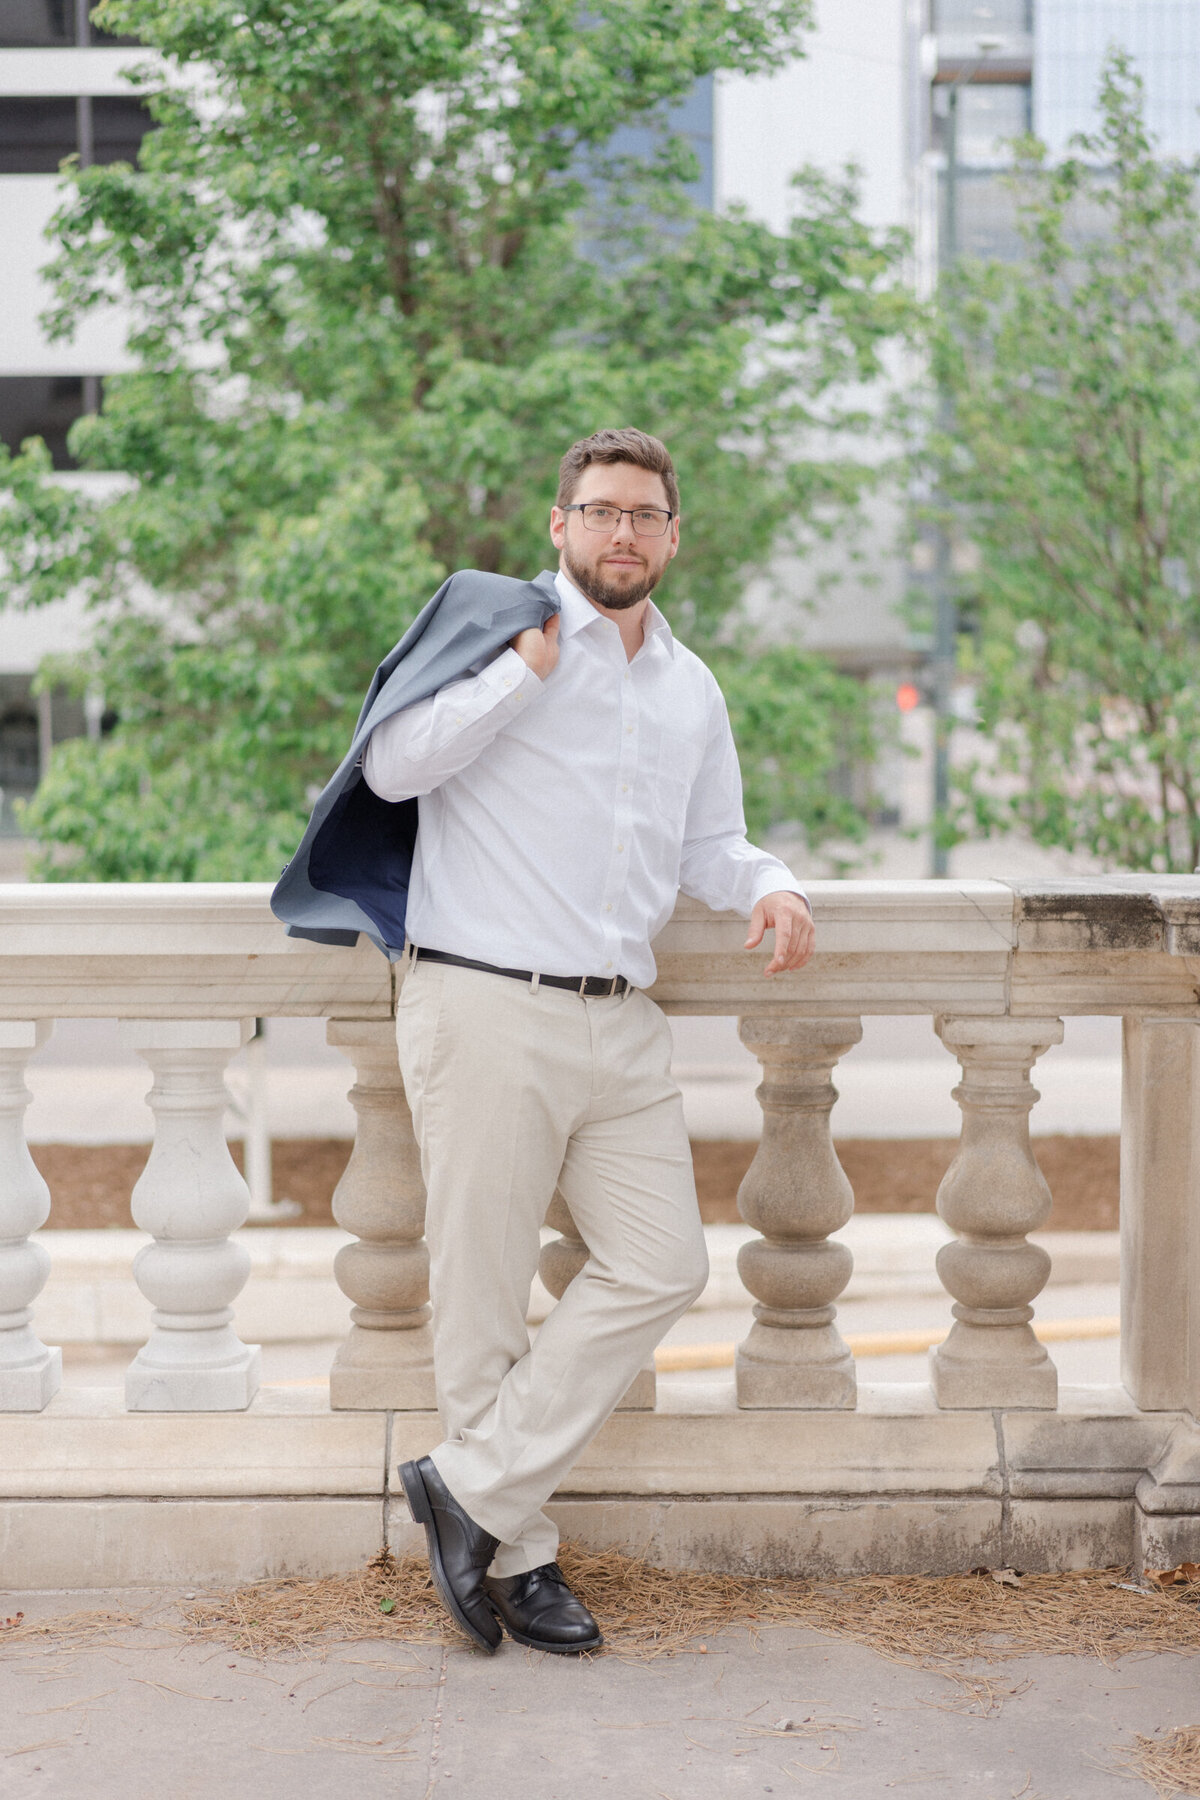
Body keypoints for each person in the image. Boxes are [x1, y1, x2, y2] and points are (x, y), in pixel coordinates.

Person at [364, 427, 814, 1656]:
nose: (622, 531)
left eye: (644, 514)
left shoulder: (690, 686)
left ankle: (468, 1491)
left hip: (622, 1023)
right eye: (599, 510)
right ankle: (522, 1557)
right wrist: (521, 673)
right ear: (560, 526)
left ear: (673, 536)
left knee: (662, 1262)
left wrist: (768, 883)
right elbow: (396, 769)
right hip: (485, 1004)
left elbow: (708, 846)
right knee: (482, 1306)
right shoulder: (494, 636)